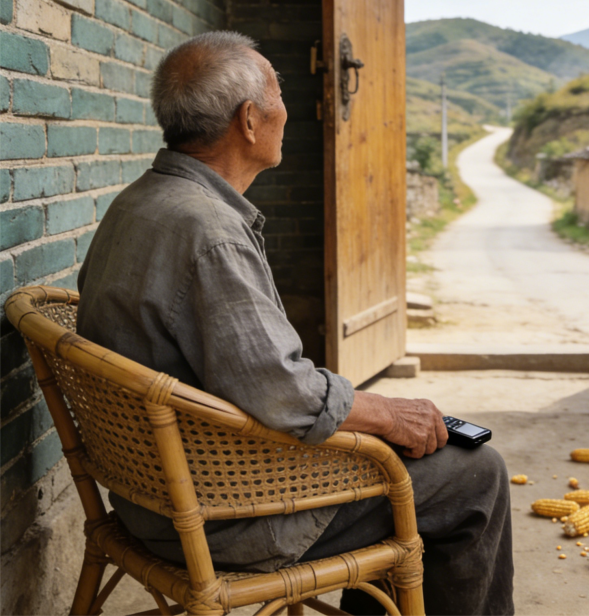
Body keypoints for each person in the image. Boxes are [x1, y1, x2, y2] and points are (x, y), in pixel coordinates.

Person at [77, 31, 513, 616]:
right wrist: (387, 413)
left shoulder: (138, 201)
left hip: (149, 495)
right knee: (475, 474)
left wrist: (370, 414)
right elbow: (285, 396)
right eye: (278, 94)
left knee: (394, 447)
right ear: (249, 120)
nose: (286, 110)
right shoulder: (209, 233)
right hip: (223, 516)